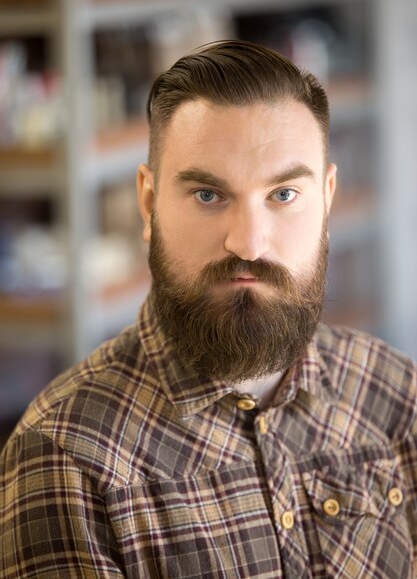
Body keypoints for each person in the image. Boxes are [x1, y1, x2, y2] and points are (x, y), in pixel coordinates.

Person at [1, 40, 416, 579]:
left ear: (327, 201)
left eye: (284, 194)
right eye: (207, 195)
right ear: (148, 204)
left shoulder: (394, 394)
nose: (248, 243)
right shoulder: (67, 460)